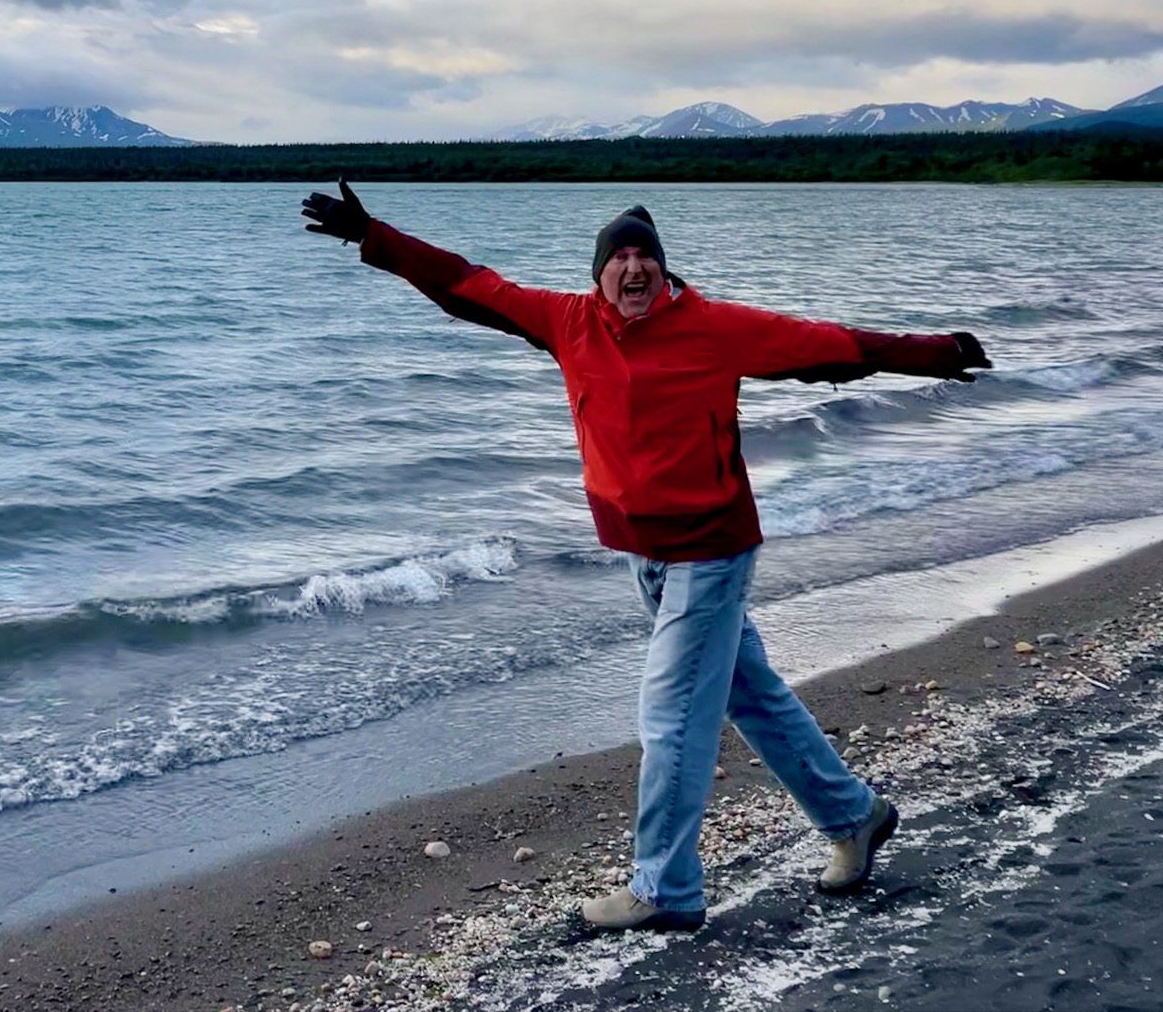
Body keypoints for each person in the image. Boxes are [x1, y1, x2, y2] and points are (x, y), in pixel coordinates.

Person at [299, 182, 991, 933]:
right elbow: (469, 286)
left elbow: (829, 346)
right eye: (618, 257)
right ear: (598, 274)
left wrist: (935, 352)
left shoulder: (714, 328)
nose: (633, 268)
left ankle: (665, 888)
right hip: (645, 553)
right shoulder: (568, 323)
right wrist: (374, 237)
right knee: (746, 694)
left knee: (669, 718)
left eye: (645, 257)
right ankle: (853, 817)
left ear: (664, 270)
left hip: (712, 550)